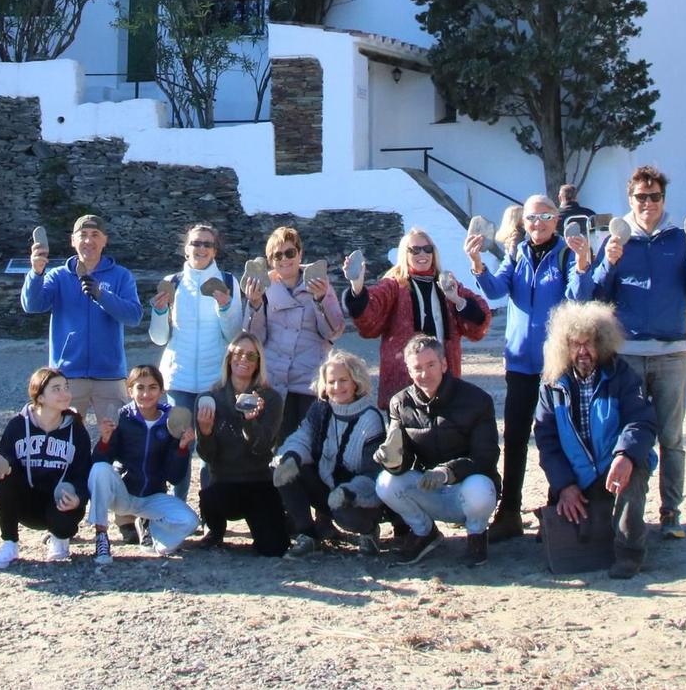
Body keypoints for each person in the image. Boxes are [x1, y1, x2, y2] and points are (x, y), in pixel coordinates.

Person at [566, 164, 686, 541]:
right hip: (627, 354)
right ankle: (626, 513)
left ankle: (671, 513)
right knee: (623, 435)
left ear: (663, 199)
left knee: (671, 438)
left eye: (655, 197)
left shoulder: (680, 240)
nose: (648, 203)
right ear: (629, 199)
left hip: (671, 353)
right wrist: (608, 264)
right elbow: (594, 298)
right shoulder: (617, 241)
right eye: (640, 197)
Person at [465, 193, 573, 542]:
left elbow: (576, 295)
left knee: (554, 438)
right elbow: (497, 289)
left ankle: (555, 509)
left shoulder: (566, 253)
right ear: (522, 222)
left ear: (556, 219)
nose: (537, 224)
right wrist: (477, 263)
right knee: (514, 438)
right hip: (520, 363)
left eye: (544, 217)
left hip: (555, 365)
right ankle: (509, 510)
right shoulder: (517, 253)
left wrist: (584, 263)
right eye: (531, 218)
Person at [533, 301, 658, 578]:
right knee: (561, 518)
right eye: (575, 345)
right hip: (578, 473)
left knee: (633, 475)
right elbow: (547, 441)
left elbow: (642, 421)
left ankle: (630, 553)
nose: (582, 352)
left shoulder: (622, 375)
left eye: (588, 343)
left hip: (615, 464)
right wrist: (564, 485)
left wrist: (625, 455)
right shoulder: (551, 386)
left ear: (601, 343)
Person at [374, 334, 501, 567]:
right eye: (417, 368)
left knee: (481, 488)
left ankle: (476, 533)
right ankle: (424, 532)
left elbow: (486, 457)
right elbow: (403, 461)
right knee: (385, 482)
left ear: (444, 364)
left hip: (466, 484)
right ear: (409, 371)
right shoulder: (399, 403)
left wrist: (446, 472)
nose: (424, 374)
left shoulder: (477, 400)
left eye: (431, 365)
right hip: (428, 487)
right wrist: (391, 458)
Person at [146, 222, 246, 499]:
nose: (200, 248)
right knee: (181, 442)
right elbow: (158, 337)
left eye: (207, 244)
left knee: (210, 445)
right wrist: (158, 312)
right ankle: (178, 503)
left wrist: (225, 307)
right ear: (185, 248)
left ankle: (209, 505)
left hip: (214, 377)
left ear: (215, 251)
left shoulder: (228, 282)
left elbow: (234, 334)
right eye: (195, 243)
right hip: (178, 377)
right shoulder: (172, 282)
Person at [345, 227, 491, 407]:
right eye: (414, 250)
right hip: (403, 379)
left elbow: (480, 319)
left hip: (444, 376)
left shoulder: (447, 282)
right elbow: (370, 316)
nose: (422, 254)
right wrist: (357, 288)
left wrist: (457, 300)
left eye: (427, 249)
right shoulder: (394, 285)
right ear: (404, 254)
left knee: (447, 432)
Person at [20, 214, 142, 426]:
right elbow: (32, 305)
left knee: (117, 436)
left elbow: (133, 316)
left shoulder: (121, 276)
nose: (88, 240)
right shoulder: (58, 276)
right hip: (67, 376)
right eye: (83, 235)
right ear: (73, 240)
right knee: (64, 438)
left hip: (110, 375)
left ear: (105, 240)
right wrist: (36, 272)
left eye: (95, 235)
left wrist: (102, 295)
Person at [271, 349, 387, 557]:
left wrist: (348, 492)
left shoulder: (371, 419)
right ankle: (308, 535)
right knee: (286, 469)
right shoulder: (320, 409)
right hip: (326, 487)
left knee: (344, 513)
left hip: (356, 495)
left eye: (343, 380)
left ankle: (369, 531)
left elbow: (373, 475)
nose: (337, 387)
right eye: (331, 381)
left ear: (356, 382)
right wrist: (292, 458)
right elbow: (302, 437)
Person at [86, 364, 200, 564]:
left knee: (189, 521)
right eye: (140, 387)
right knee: (100, 469)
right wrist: (104, 440)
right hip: (123, 494)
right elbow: (99, 463)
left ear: (162, 391)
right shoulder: (121, 417)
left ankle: (152, 530)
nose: (146, 393)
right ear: (130, 391)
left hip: (153, 496)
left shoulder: (171, 420)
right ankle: (101, 536)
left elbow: (175, 477)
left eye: (152, 387)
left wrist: (182, 448)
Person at [0, 366, 95, 569]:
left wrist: (79, 498)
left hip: (59, 504)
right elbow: (7, 459)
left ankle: (60, 539)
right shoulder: (18, 426)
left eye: (66, 387)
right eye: (56, 389)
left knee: (64, 518)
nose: (65, 394)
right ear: (40, 397)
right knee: (4, 475)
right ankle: (9, 542)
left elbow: (82, 471)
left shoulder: (76, 429)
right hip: (26, 504)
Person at [245, 226, 346, 439]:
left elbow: (333, 332)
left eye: (290, 253)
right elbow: (255, 338)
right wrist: (253, 304)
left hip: (308, 381)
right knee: (275, 446)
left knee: (309, 444)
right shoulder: (264, 287)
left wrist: (320, 300)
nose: (284, 259)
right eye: (277, 255)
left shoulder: (319, 284)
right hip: (273, 381)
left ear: (300, 253)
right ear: (270, 260)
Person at [193, 332, 288, 556]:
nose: (243, 360)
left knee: (274, 549)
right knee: (210, 496)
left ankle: (280, 520)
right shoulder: (209, 399)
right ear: (228, 358)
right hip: (224, 481)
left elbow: (263, 448)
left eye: (251, 356)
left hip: (259, 481)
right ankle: (215, 529)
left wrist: (250, 423)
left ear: (258, 363)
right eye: (238, 354)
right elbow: (207, 457)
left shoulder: (271, 398)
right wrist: (205, 433)